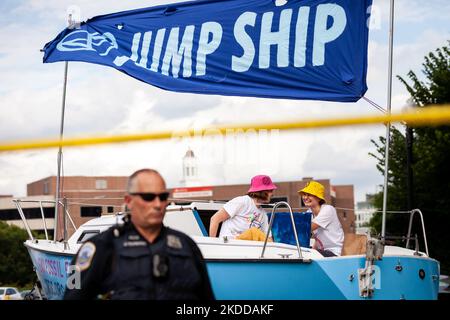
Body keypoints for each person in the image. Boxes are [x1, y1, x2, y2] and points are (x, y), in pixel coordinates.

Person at [64, 168, 215, 300]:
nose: (157, 204)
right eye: (148, 197)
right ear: (128, 200)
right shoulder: (98, 247)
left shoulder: (187, 246)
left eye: (162, 197)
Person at [209, 175, 277, 239]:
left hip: (247, 248)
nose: (272, 194)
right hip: (228, 244)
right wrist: (212, 244)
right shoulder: (242, 201)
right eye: (270, 190)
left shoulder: (263, 214)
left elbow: (268, 238)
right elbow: (215, 219)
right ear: (262, 191)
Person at [298, 181, 344, 257]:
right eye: (304, 194)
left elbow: (307, 228)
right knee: (301, 254)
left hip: (335, 252)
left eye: (309, 195)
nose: (305, 197)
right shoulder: (309, 212)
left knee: (303, 255)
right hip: (323, 251)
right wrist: (312, 250)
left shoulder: (328, 210)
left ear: (318, 198)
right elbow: (318, 238)